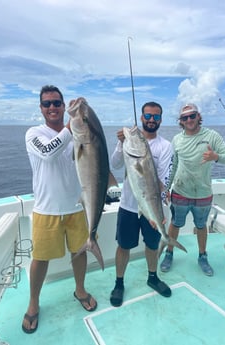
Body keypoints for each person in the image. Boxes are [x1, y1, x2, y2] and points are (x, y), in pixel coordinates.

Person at [22, 85, 97, 334]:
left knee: (80, 253)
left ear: (64, 107)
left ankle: (80, 290)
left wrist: (84, 118)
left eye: (57, 103)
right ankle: (34, 303)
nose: (52, 107)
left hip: (76, 208)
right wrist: (72, 126)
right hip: (46, 210)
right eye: (47, 104)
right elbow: (48, 153)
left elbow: (92, 152)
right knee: (40, 259)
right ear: (41, 108)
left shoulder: (77, 132)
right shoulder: (34, 133)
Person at [109, 101, 173, 307]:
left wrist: (160, 212)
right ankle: (119, 283)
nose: (151, 120)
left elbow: (163, 181)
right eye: (147, 116)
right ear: (142, 117)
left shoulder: (165, 146)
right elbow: (115, 164)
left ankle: (152, 277)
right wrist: (121, 143)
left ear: (161, 120)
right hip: (128, 205)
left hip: (151, 207)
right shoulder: (129, 143)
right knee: (123, 246)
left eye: (155, 117)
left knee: (152, 245)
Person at [160, 103, 225, 276]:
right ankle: (169, 253)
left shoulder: (212, 136)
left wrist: (216, 157)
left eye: (192, 116)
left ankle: (202, 256)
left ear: (198, 116)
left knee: (201, 226)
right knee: (175, 224)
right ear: (181, 121)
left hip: (203, 194)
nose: (189, 120)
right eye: (185, 117)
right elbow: (173, 165)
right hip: (180, 191)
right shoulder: (177, 139)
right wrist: (167, 189)